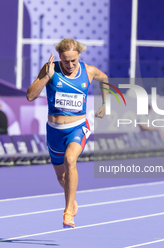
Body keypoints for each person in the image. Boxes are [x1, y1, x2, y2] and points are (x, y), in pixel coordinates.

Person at [26, 38, 108, 228]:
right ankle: (72, 198)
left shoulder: (88, 71)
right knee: (61, 177)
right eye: (65, 61)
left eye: (73, 60)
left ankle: (68, 211)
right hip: (54, 131)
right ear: (60, 58)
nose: (70, 65)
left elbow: (104, 79)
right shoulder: (50, 68)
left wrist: (105, 104)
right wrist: (46, 77)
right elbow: (30, 96)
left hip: (78, 126)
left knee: (70, 160)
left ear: (79, 55)